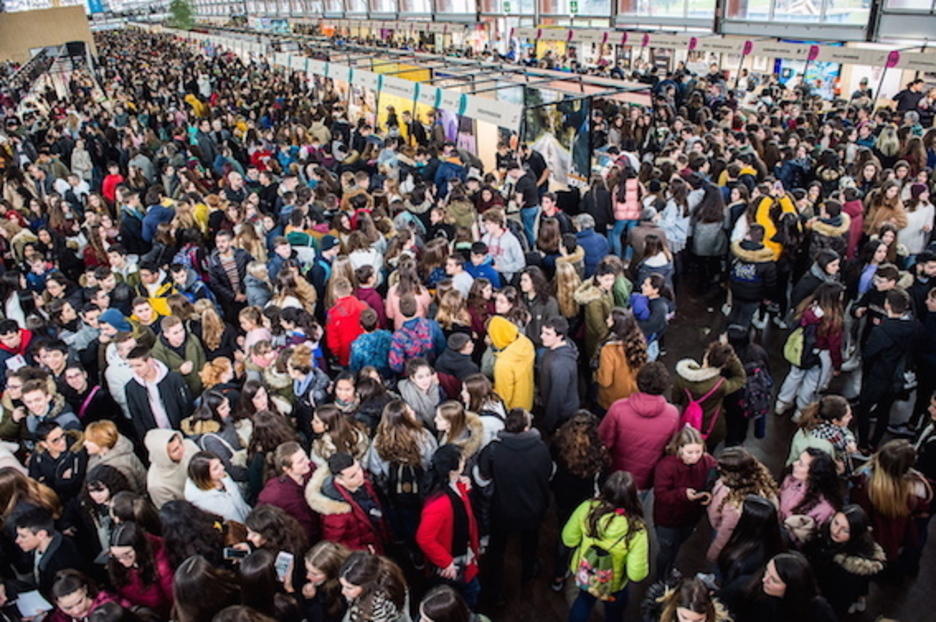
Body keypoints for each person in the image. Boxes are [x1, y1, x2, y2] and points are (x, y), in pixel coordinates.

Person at [476, 407, 552, 602]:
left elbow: (482, 477)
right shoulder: (541, 448)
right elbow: (548, 473)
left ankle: (495, 588)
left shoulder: (494, 449)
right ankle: (527, 575)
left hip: (502, 509)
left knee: (497, 548)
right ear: (526, 427)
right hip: (532, 509)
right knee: (530, 543)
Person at [562, 471, 649, 622]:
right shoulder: (637, 528)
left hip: (586, 573)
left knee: (583, 601)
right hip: (614, 583)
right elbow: (636, 574)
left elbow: (568, 540)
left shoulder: (587, 508)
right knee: (614, 613)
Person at [856, 289, 923, 451]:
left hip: (879, 375)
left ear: (887, 305)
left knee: (863, 408)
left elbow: (868, 354)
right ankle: (875, 443)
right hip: (898, 377)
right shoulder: (916, 327)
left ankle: (863, 444)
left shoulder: (882, 330)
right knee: (885, 411)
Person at [415, 444, 481, 607]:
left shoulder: (450, 485)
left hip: (459, 554)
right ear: (452, 470)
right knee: (469, 591)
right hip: (454, 560)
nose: (465, 462)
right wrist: (446, 562)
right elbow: (424, 538)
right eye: (462, 460)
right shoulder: (439, 505)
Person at [598, 362, 680, 491]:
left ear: (638, 382)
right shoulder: (673, 414)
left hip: (617, 475)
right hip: (647, 478)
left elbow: (604, 440)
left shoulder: (618, 409)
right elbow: (670, 447)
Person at [852, 439, 932, 569]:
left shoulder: (864, 483)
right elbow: (923, 508)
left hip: (869, 537)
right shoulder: (909, 491)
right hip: (893, 539)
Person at [653, 426, 717, 580]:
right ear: (679, 449)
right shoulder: (666, 466)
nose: (695, 457)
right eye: (690, 452)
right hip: (668, 519)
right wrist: (682, 494)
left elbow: (714, 478)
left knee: (678, 545)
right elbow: (661, 494)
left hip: (690, 517)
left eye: (698, 451)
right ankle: (661, 578)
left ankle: (670, 570)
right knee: (667, 550)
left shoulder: (707, 461)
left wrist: (709, 493)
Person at [804, 505, 885, 616]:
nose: (836, 531)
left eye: (845, 530)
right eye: (836, 523)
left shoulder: (854, 565)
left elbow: (839, 601)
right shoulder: (823, 536)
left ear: (856, 533)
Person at [305, 452, 390, 554]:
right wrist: (365, 551)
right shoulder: (335, 512)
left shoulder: (360, 483)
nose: (360, 475)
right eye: (352, 476)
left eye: (359, 468)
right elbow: (335, 545)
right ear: (339, 480)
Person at [720, 552, 838, 622]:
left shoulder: (818, 610)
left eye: (774, 580)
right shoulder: (746, 586)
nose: (764, 580)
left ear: (792, 587)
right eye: (767, 571)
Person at [707, 447, 778, 562]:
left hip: (731, 539)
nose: (718, 469)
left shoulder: (734, 507)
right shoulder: (762, 483)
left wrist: (713, 555)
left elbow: (723, 537)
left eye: (722, 470)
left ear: (733, 475)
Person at [673, 341, 746, 450]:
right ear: (723, 365)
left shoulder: (682, 378)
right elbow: (740, 378)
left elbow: (676, 399)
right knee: (709, 450)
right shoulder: (721, 385)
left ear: (705, 358)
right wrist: (732, 357)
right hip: (712, 429)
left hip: (688, 424)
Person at [256, 441, 321, 544]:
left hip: (319, 530)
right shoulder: (275, 493)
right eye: (300, 461)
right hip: (301, 540)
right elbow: (259, 517)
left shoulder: (311, 470)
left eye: (305, 457)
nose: (307, 462)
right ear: (286, 469)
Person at [14, 508, 86, 598]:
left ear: (41, 535)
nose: (17, 540)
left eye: (23, 536)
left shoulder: (62, 562)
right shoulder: (36, 548)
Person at [107, 522, 175, 617]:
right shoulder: (116, 564)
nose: (122, 560)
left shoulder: (160, 568)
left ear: (138, 548)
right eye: (116, 556)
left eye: (127, 554)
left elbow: (173, 599)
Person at [124, 346, 192, 441]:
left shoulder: (173, 378)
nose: (135, 370)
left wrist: (186, 432)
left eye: (139, 365)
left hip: (181, 432)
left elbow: (185, 406)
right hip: (156, 438)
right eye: (132, 366)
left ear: (150, 361)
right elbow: (137, 418)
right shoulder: (131, 388)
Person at [717, 495, 786, 588]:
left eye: (740, 513)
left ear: (748, 521)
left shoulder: (742, 562)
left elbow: (731, 586)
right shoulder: (779, 536)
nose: (735, 512)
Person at [778, 449, 842, 546]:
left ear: (813, 474)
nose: (794, 464)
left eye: (801, 464)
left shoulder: (826, 509)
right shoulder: (791, 480)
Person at [594, 308, 647, 410]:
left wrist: (596, 374)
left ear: (616, 325)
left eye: (610, 319)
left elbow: (605, 381)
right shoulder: (638, 341)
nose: (607, 320)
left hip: (612, 399)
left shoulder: (608, 350)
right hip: (632, 395)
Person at [338, 551, 409, 622]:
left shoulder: (380, 606)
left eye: (349, 588)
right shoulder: (376, 569)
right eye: (342, 585)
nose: (343, 592)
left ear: (366, 585)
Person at [537, 317, 580, 433]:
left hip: (561, 414)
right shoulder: (553, 347)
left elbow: (557, 397)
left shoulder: (561, 364)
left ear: (560, 336)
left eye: (548, 334)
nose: (542, 336)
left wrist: (548, 424)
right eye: (542, 332)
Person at [183, 451, 251, 523]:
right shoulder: (203, 503)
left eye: (220, 463)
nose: (222, 467)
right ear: (204, 475)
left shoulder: (222, 476)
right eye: (215, 468)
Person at [84, 421, 147, 493]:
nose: (84, 443)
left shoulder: (120, 465)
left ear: (101, 441)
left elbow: (129, 493)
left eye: (89, 441)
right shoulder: (96, 457)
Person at [487, 316, 535, 412]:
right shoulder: (525, 343)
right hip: (527, 399)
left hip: (513, 408)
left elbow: (503, 394)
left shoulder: (504, 363)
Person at [144, 429, 199, 509]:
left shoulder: (188, 445)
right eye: (175, 450)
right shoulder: (157, 486)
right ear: (163, 455)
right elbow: (174, 512)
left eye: (180, 443)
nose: (183, 449)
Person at [300, 540, 351, 622]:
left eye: (315, 574)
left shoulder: (340, 592)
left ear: (331, 573)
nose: (307, 576)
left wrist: (310, 601)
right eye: (307, 570)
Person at [48, 570, 126, 622]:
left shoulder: (110, 605)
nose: (76, 611)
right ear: (57, 603)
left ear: (85, 589)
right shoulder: (59, 616)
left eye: (79, 602)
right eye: (68, 608)